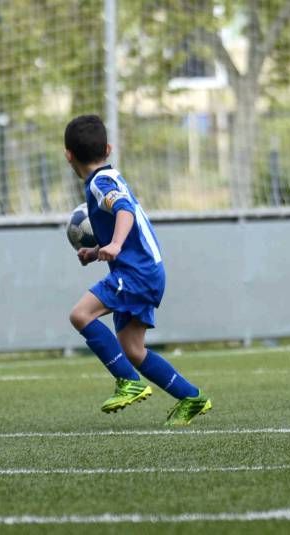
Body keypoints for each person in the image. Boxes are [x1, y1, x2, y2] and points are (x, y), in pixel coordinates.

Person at [65, 115, 211, 427]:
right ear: (108, 148)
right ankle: (191, 397)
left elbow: (124, 210)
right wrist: (96, 251)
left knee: (80, 315)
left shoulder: (99, 183)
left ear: (68, 155)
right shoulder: (110, 176)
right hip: (148, 271)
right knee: (133, 350)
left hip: (136, 274)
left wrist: (115, 244)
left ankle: (127, 382)